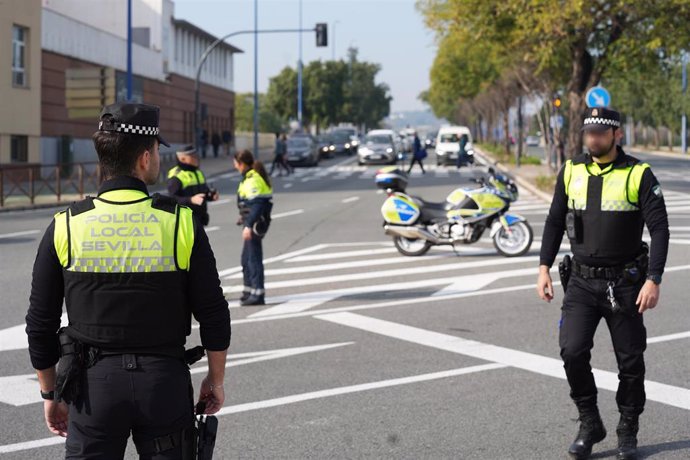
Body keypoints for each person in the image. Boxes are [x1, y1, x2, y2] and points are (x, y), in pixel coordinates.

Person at [25, 102, 231, 459]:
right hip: (163, 384)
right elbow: (213, 313)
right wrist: (215, 381)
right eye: (156, 151)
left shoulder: (66, 225)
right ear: (145, 158)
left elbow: (39, 323)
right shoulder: (181, 222)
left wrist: (50, 394)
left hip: (93, 390)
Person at [536, 107, 669, 460]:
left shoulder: (638, 173)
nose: (592, 138)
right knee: (572, 351)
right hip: (580, 282)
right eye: (588, 132)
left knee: (630, 360)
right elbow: (552, 222)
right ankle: (589, 421)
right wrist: (543, 267)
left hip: (624, 284)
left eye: (599, 132)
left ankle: (628, 427)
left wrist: (653, 280)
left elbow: (660, 228)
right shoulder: (571, 170)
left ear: (616, 135)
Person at [234, 149, 273, 306]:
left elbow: (257, 205)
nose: (235, 166)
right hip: (252, 221)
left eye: (236, 163)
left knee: (253, 258)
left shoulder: (252, 180)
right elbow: (249, 204)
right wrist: (243, 216)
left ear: (241, 164)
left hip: (256, 223)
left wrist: (248, 225)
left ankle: (258, 294)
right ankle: (249, 290)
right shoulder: (249, 177)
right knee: (246, 258)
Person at [167, 144, 219, 226]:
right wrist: (190, 200)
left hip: (200, 220)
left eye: (196, 155)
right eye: (193, 156)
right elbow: (172, 199)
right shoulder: (176, 176)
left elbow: (203, 193)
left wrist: (210, 195)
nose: (197, 158)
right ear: (182, 159)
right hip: (184, 222)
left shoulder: (198, 172)